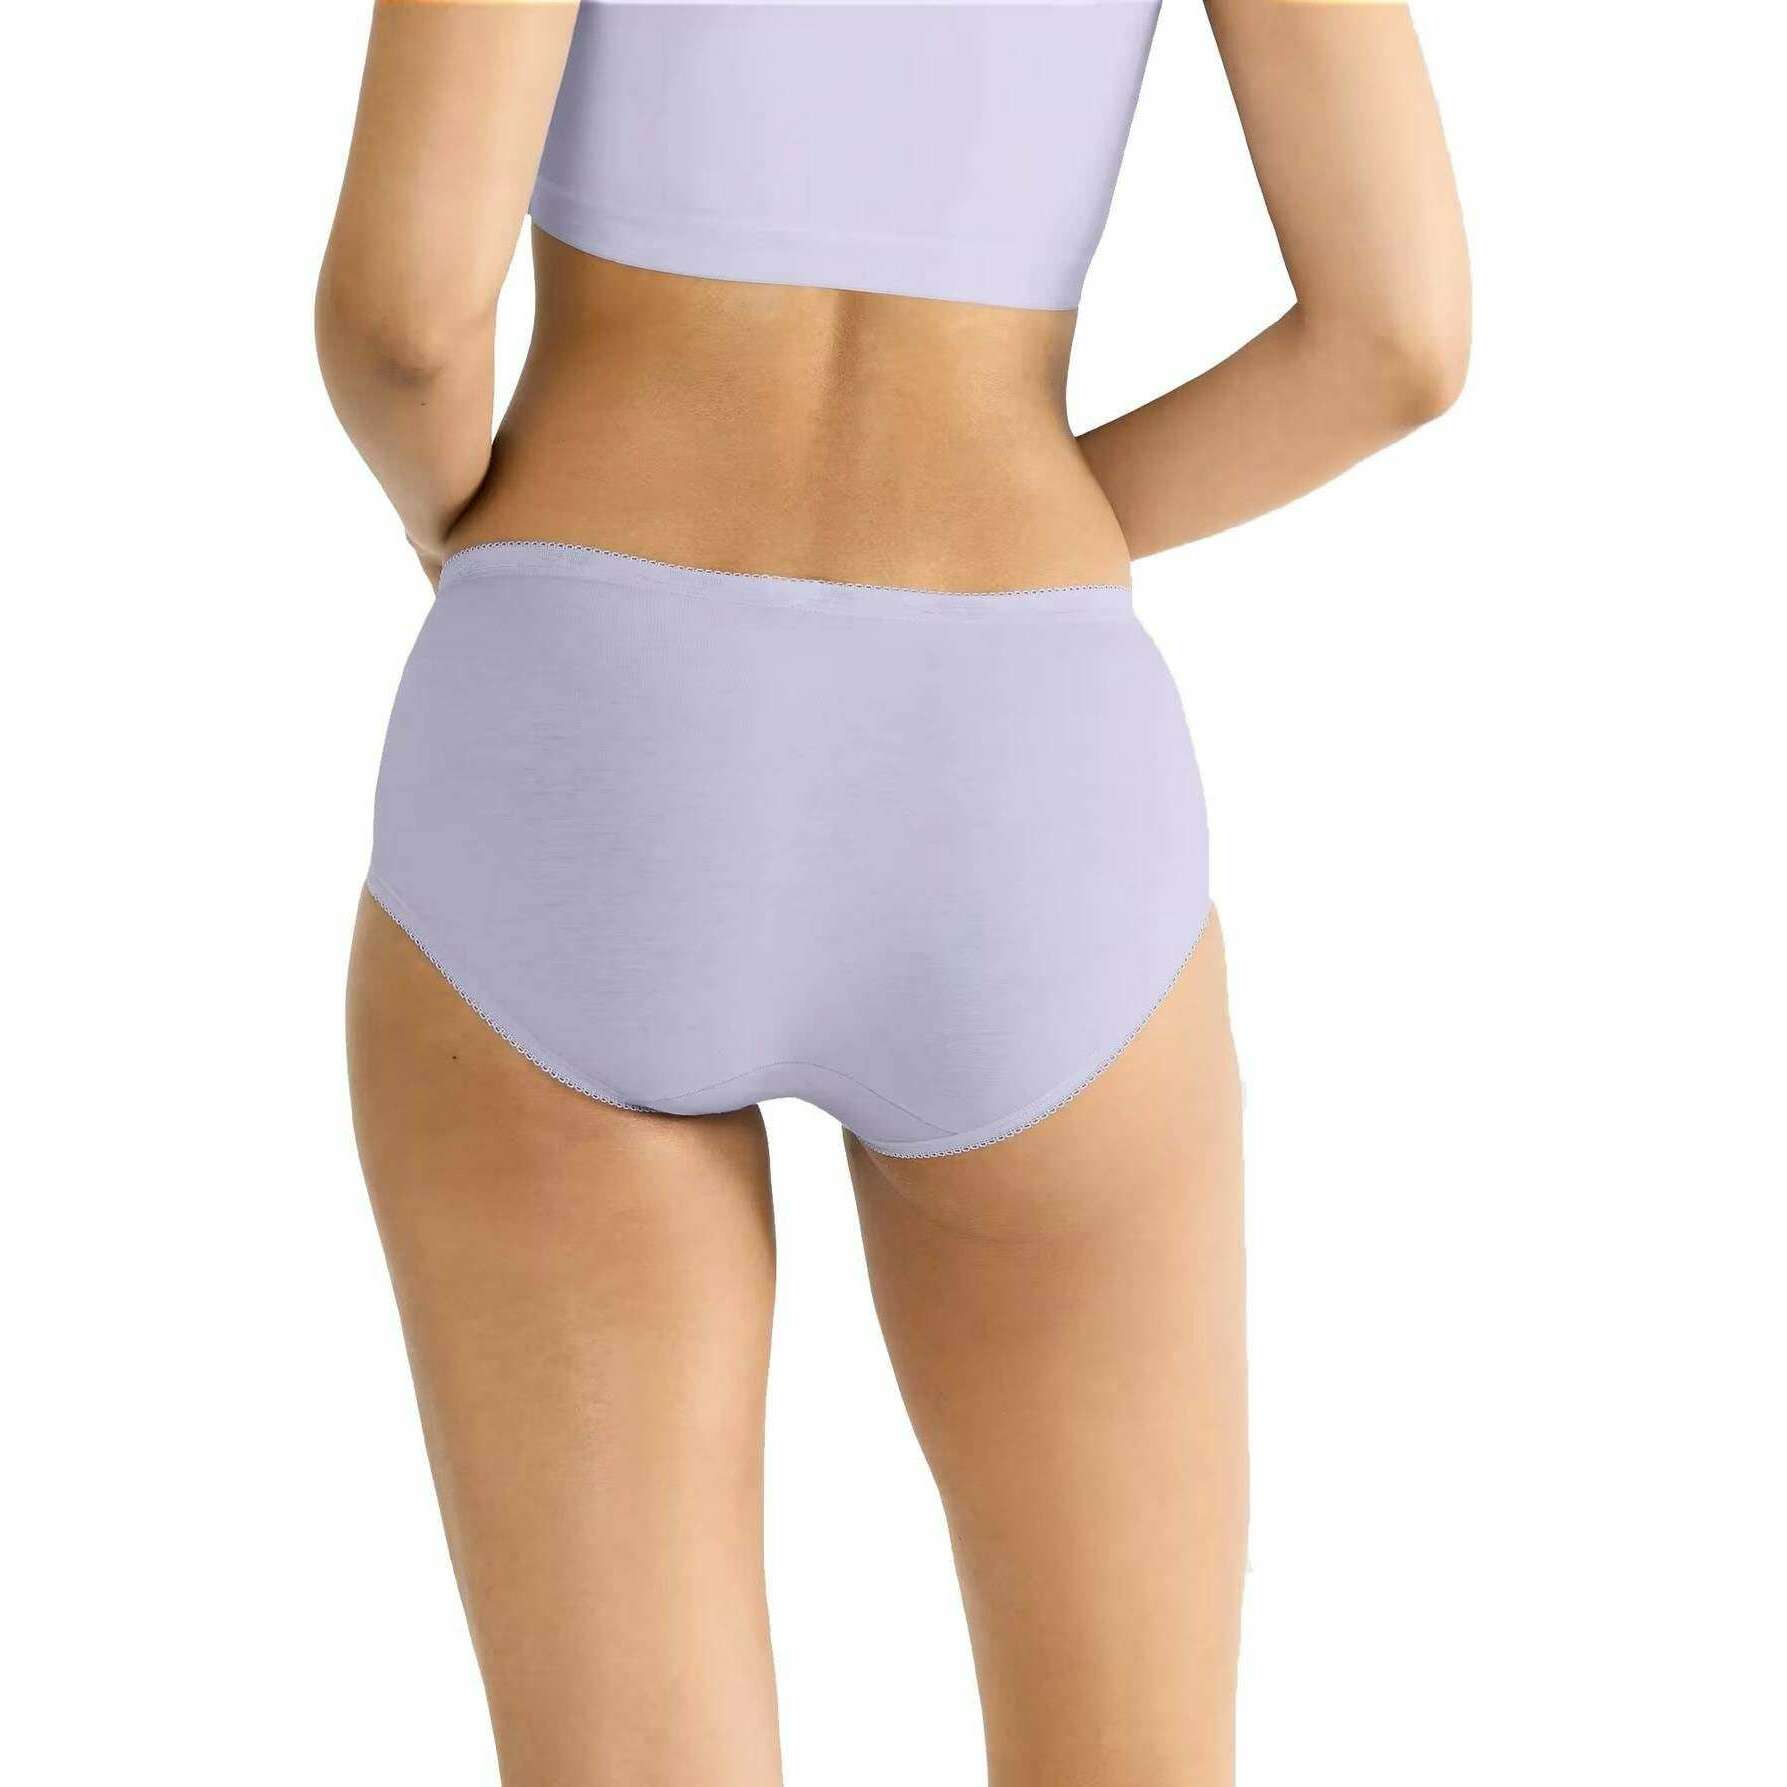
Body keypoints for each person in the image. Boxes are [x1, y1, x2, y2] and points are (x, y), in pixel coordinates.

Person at [317, 2, 1467, 1782]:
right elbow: (1398, 337)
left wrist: (465, 538)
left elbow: (403, 317)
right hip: (1016, 750)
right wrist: (1037, 542)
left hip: (590, 704)